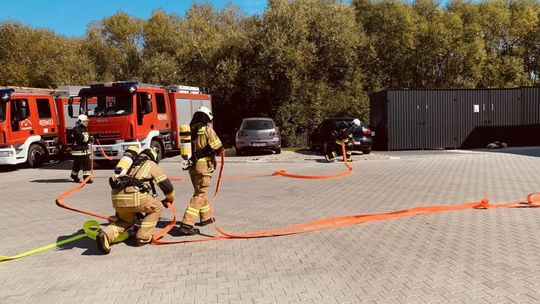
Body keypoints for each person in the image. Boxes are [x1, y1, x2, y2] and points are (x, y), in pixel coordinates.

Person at [96, 146, 176, 254]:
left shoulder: (128, 165)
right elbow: (166, 186)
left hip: (117, 199)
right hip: (134, 197)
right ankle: (143, 236)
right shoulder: (150, 164)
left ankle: (105, 235)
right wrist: (169, 199)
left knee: (124, 221)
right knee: (157, 207)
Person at [176, 106, 223, 236]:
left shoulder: (189, 130)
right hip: (203, 166)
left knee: (200, 192)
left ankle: (206, 217)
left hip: (192, 166)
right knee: (200, 194)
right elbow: (218, 146)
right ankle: (187, 223)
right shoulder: (207, 130)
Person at [70, 114, 93, 183]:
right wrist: (89, 138)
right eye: (85, 121)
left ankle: (86, 178)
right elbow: (83, 139)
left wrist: (91, 138)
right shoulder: (76, 129)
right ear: (81, 121)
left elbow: (86, 138)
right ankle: (74, 176)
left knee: (86, 164)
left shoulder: (84, 129)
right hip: (78, 151)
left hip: (84, 150)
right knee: (78, 165)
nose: (87, 123)